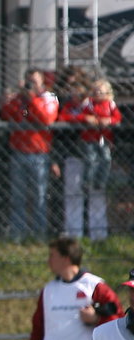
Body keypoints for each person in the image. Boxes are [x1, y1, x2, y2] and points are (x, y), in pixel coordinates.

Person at [29, 237, 120, 340]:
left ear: (66, 259)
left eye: (52, 256)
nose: (48, 261)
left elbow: (117, 318)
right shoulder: (48, 290)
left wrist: (96, 319)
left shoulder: (94, 286)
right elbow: (38, 322)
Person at [0, 68, 59, 242]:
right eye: (28, 81)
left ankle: (39, 235)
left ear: (42, 82)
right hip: (19, 152)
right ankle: (18, 234)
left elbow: (45, 118)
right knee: (18, 196)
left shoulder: (49, 97)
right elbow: (10, 115)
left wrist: (32, 98)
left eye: (34, 81)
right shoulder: (22, 101)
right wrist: (15, 100)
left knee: (39, 196)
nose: (30, 84)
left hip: (39, 154)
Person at [63, 79, 121, 241]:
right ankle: (74, 236)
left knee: (98, 194)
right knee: (75, 194)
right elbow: (66, 116)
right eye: (73, 93)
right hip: (77, 154)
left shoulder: (110, 105)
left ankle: (99, 236)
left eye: (80, 93)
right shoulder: (78, 105)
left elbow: (117, 118)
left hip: (101, 147)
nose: (77, 96)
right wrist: (85, 118)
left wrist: (108, 121)